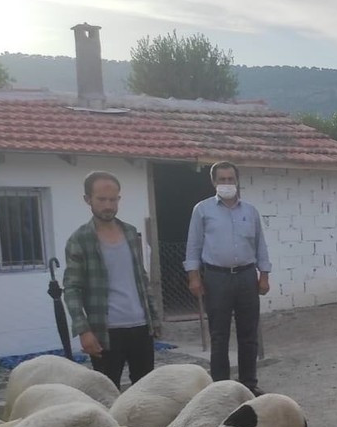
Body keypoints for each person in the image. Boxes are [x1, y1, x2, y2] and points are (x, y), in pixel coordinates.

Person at [64, 171, 161, 389]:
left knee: (145, 391)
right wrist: (84, 331)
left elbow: (141, 279)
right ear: (87, 199)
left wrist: (154, 318)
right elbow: (71, 288)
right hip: (105, 331)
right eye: (101, 199)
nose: (108, 205)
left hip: (140, 326)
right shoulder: (80, 240)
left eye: (113, 199)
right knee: (107, 392)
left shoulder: (130, 232)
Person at [184, 161, 271, 396]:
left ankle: (248, 385)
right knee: (219, 335)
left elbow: (260, 245)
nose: (226, 183)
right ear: (213, 182)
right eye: (221, 179)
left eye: (230, 179)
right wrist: (194, 276)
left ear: (237, 180)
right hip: (216, 277)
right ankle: (220, 388)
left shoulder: (250, 212)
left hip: (246, 277)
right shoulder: (202, 210)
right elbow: (193, 245)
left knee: (248, 334)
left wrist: (264, 275)